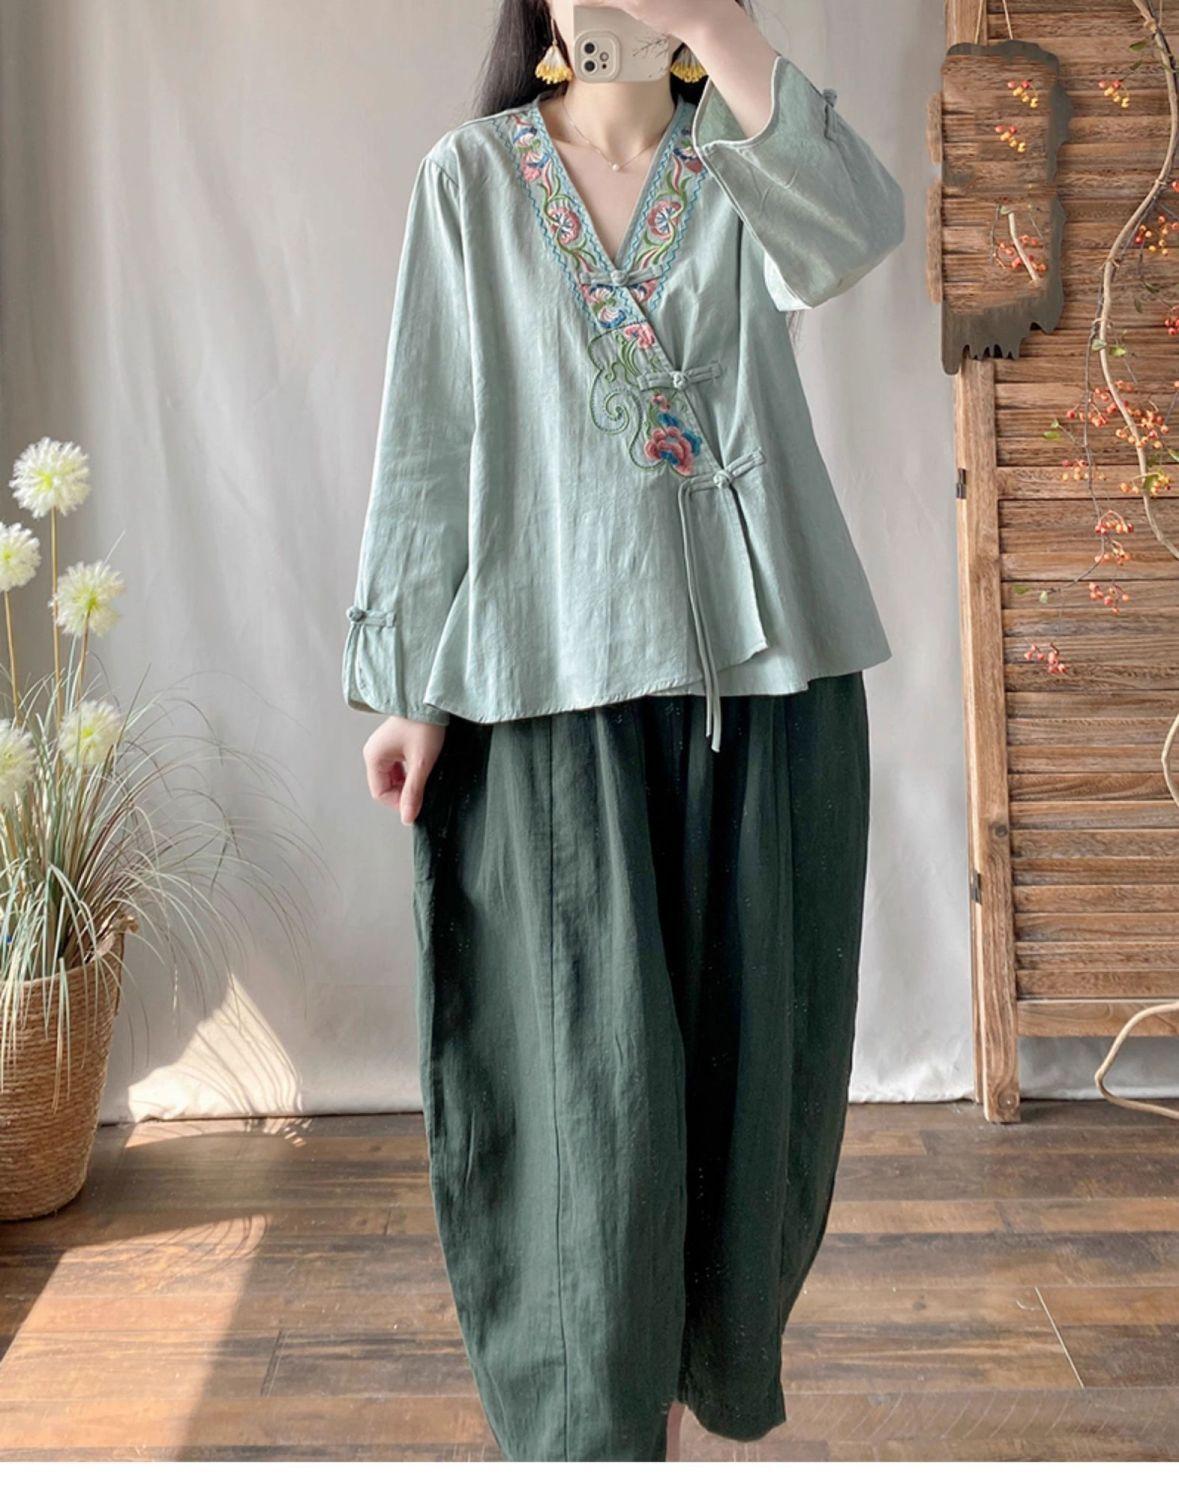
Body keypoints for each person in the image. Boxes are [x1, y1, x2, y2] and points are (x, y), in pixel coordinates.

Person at [342, 0, 904, 1463]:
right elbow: (431, 434)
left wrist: (719, 24)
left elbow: (853, 236)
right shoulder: (471, 179)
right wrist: (412, 689)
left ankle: (686, 1399)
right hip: (548, 691)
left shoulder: (748, 156)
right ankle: (599, 1436)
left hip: (764, 694)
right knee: (588, 1109)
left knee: (742, 1087)